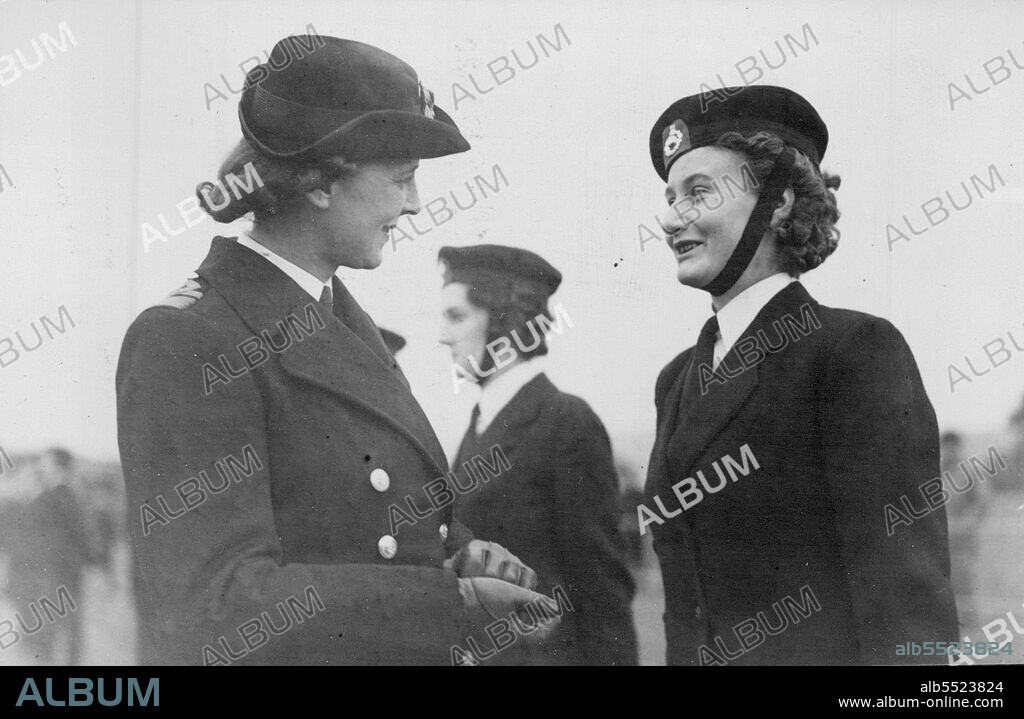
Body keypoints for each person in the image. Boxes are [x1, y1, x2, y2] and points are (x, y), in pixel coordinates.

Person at [116, 35, 554, 666]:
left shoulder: (338, 319)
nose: (415, 204)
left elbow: (366, 516)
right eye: (402, 179)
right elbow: (211, 607)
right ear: (321, 182)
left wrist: (453, 549)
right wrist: (450, 602)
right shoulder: (188, 339)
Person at [643, 85, 957, 665]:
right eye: (669, 197)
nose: (670, 219)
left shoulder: (852, 352)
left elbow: (906, 601)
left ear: (780, 201)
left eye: (698, 192)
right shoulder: (676, 380)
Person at [438, 244, 638, 665]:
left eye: (457, 317)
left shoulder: (566, 421)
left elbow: (602, 592)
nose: (443, 335)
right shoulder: (482, 418)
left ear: (504, 321)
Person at [6, 448, 91, 665]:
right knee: (51, 636)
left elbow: (71, 541)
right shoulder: (55, 495)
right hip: (51, 577)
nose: (42, 469)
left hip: (54, 577)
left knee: (53, 637)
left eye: (47, 464)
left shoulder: (60, 497)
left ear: (59, 468)